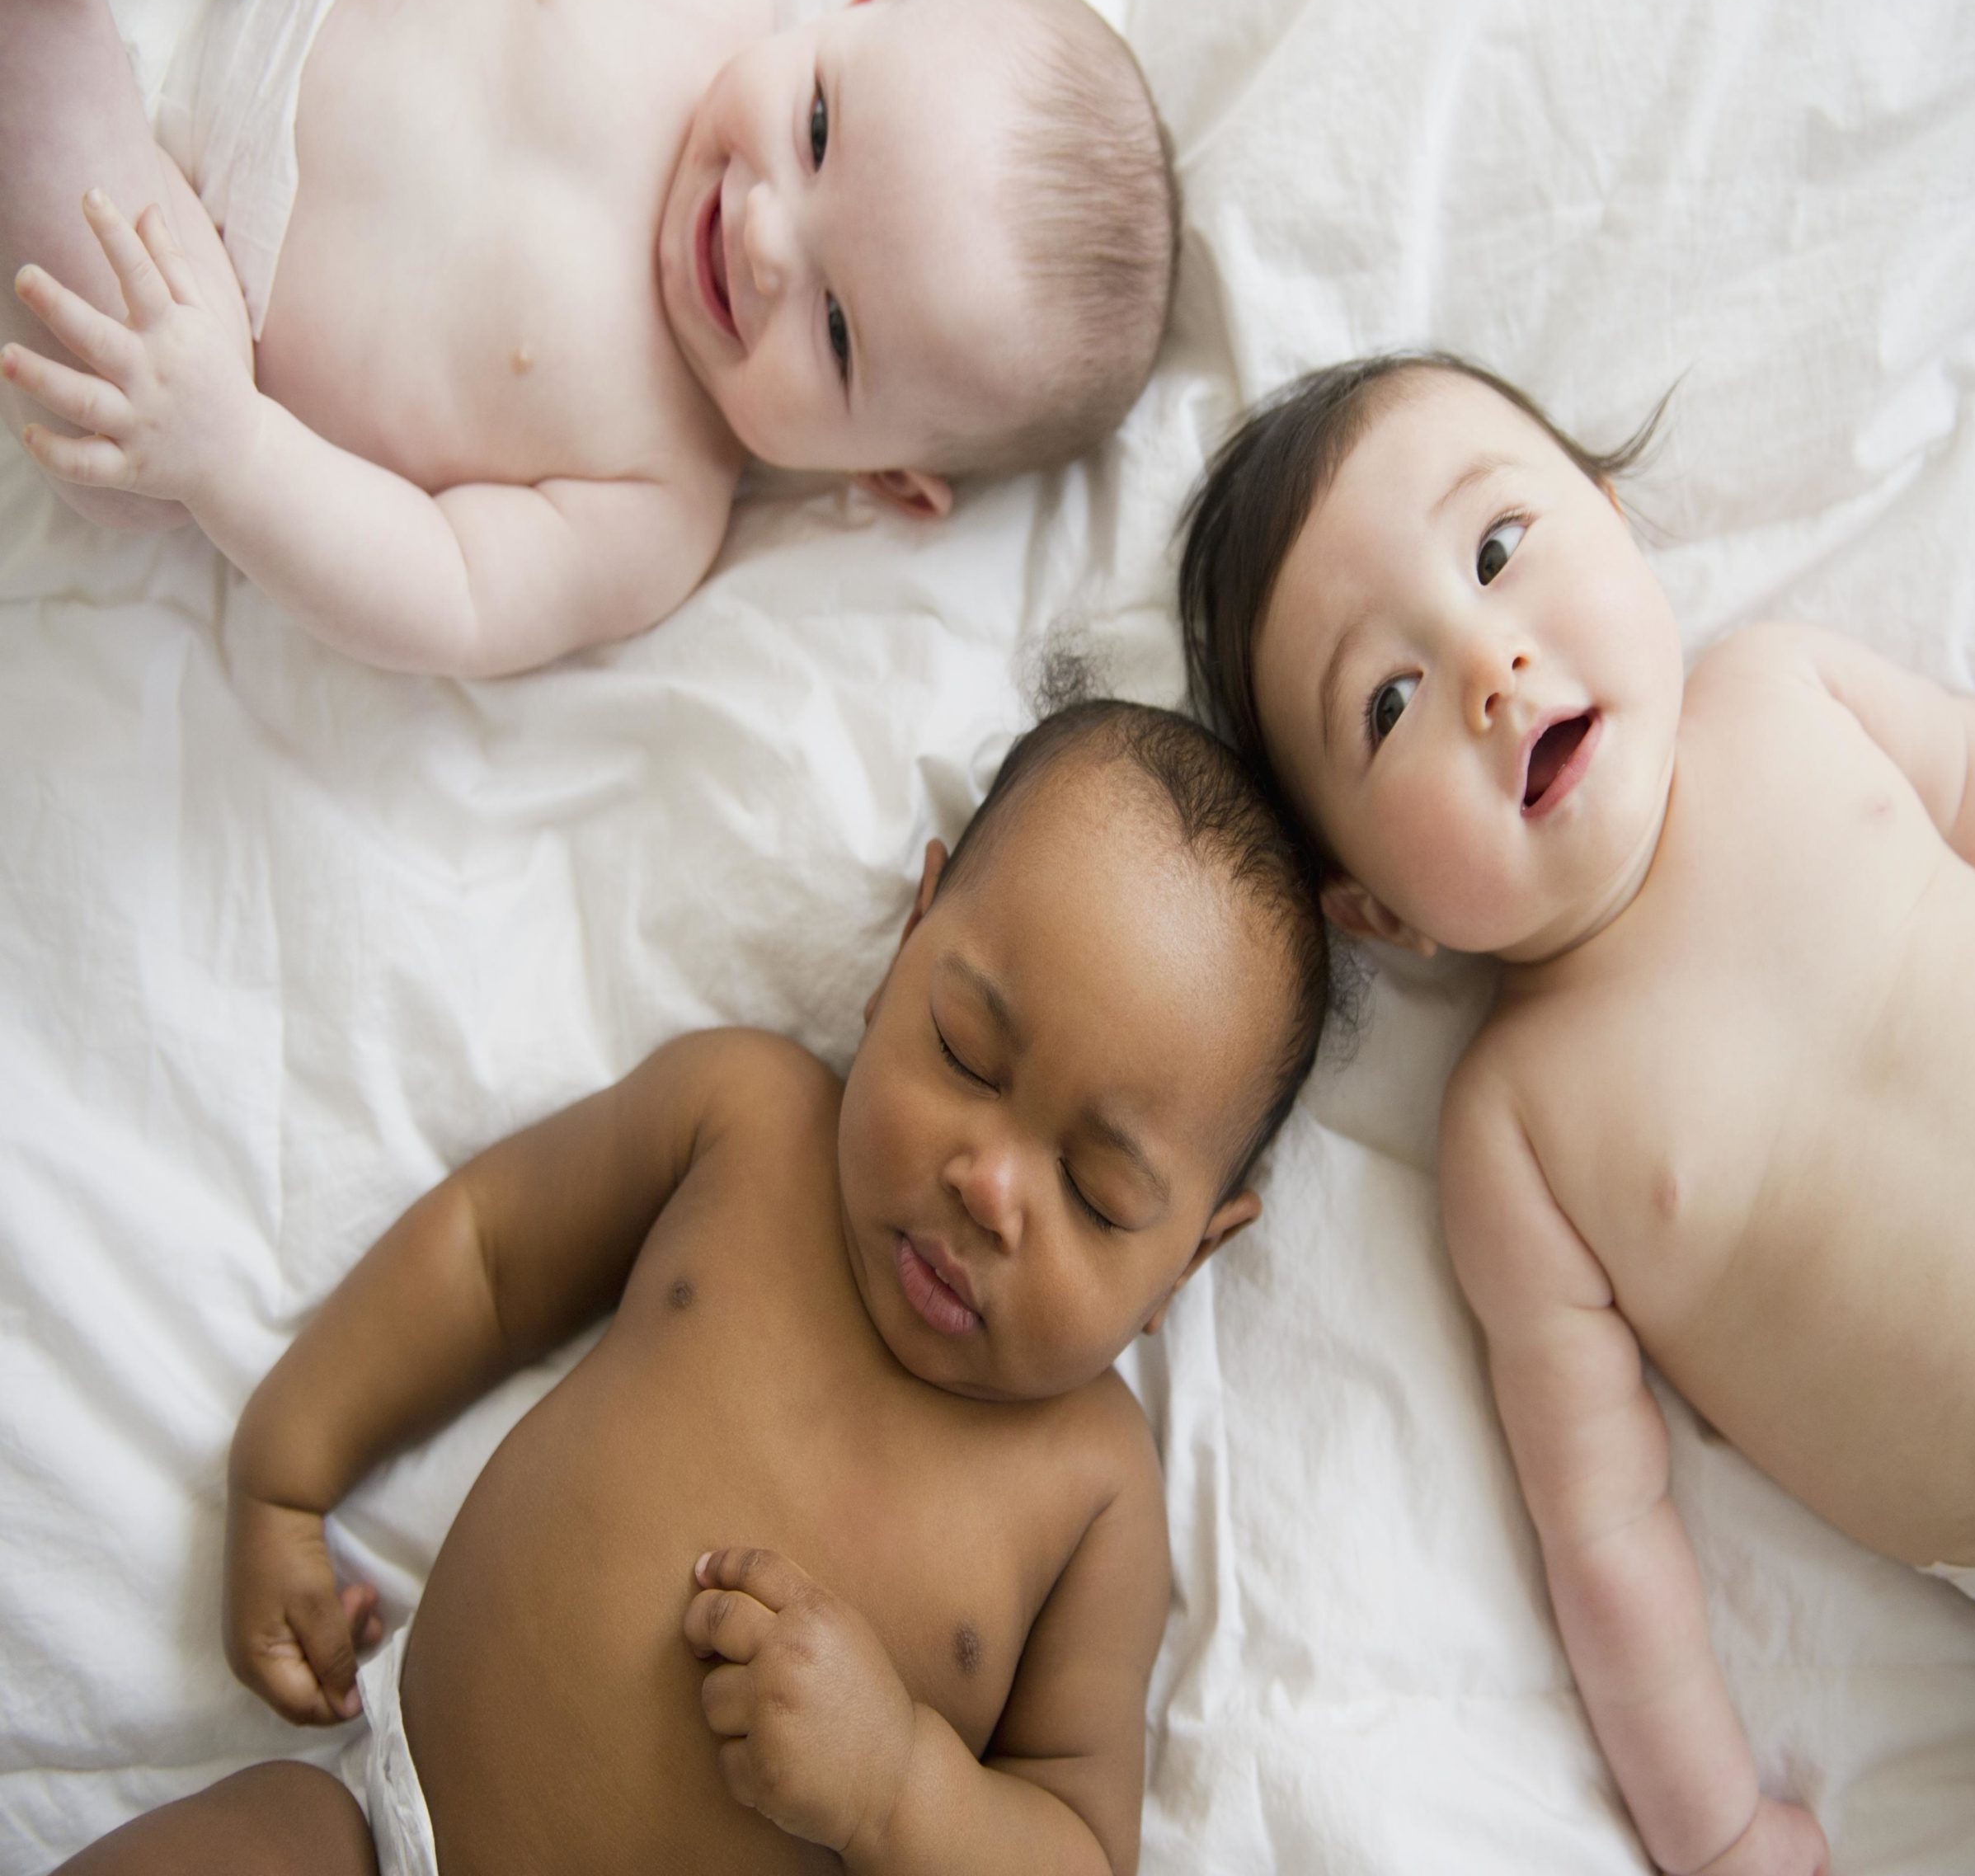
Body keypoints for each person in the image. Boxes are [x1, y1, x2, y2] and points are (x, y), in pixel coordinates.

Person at [53, 695, 1328, 1875]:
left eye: (1098, 1193)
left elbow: (1078, 1851)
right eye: (964, 1051)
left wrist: (898, 1788)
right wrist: (285, 1468)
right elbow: (488, 1254)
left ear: (1193, 1259)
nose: (988, 1187)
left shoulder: (1093, 1490)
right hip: (387, 1834)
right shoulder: (747, 1123)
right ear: (906, 940)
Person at [1178, 350, 1975, 1876]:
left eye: (1497, 551)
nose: (1491, 666)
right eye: (1390, 701)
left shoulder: (1785, 694)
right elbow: (1607, 1535)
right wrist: (1715, 1824)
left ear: (1614, 520)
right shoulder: (1522, 1133)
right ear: (1380, 916)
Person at [0, 0, 1179, 676]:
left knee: (130, 457)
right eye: (819, 128)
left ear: (887, 477)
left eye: (836, 331)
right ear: (852, 10)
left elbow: (443, 590)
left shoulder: (655, 515)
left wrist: (232, 453)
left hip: (177, 268)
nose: (768, 238)